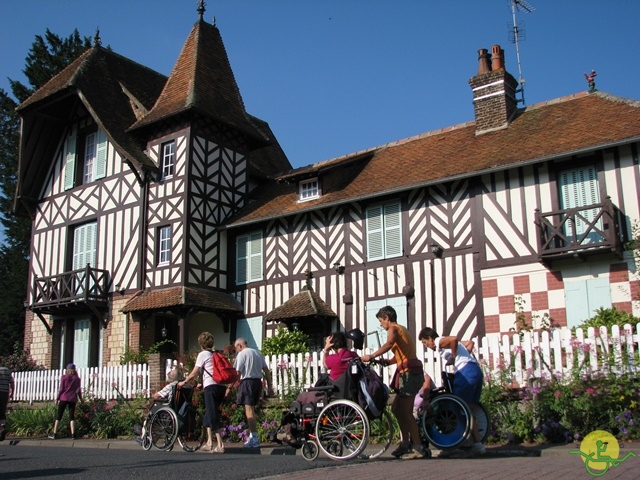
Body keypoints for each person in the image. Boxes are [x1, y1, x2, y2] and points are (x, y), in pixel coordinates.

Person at [361, 306, 427, 460]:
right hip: (408, 371)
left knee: (406, 411)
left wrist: (371, 356)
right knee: (397, 409)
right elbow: (401, 355)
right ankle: (405, 443)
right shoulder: (402, 329)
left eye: (381, 321)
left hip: (409, 374)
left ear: (387, 318)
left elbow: (389, 344)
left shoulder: (394, 328)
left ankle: (417, 447)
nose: (381, 325)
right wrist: (387, 361)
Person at [418, 327, 485, 456]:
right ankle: (475, 444)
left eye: (425, 343)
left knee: (457, 408)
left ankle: (456, 444)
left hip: (465, 373)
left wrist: (455, 359)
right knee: (467, 410)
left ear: (430, 338)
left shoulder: (438, 341)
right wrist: (461, 356)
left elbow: (454, 339)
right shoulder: (442, 344)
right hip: (474, 370)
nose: (426, 346)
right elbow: (470, 343)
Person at [178, 332, 226, 453]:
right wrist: (202, 383)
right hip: (220, 386)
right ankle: (209, 442)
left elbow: (195, 372)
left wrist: (184, 381)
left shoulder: (203, 354)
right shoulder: (216, 353)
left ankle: (220, 445)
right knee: (209, 413)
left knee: (213, 414)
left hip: (211, 388)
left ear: (201, 344)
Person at [233, 337, 274, 448]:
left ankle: (254, 438)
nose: (236, 350)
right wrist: (270, 386)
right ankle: (252, 436)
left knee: (249, 411)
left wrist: (229, 386)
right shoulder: (257, 353)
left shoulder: (242, 354)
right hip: (257, 382)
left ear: (240, 346)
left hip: (247, 382)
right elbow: (266, 370)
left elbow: (237, 372)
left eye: (236, 348)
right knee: (253, 410)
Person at [49, 363, 83, 440]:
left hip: (63, 398)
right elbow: (78, 390)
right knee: (72, 417)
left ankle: (54, 434)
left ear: (67, 370)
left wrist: (57, 398)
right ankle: (73, 434)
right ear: (74, 370)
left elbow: (61, 389)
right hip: (72, 399)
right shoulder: (77, 379)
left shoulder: (64, 377)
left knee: (59, 416)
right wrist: (81, 399)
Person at [0, 366, 14, 441]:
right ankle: (3, 426)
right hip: (5, 393)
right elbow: (12, 382)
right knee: (2, 412)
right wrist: (12, 393)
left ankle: (1, 429)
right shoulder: (7, 370)